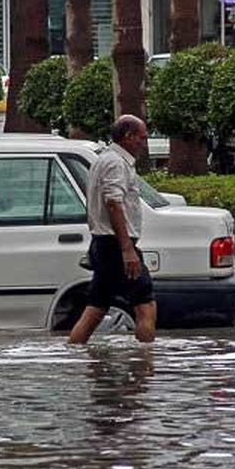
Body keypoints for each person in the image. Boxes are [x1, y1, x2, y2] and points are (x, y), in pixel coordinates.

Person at [69, 115, 157, 345]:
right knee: (145, 305)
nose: (143, 143)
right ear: (128, 136)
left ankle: (73, 353)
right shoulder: (115, 162)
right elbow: (113, 203)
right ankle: (145, 366)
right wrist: (127, 249)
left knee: (95, 308)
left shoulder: (106, 159)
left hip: (105, 245)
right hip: (116, 245)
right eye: (141, 137)